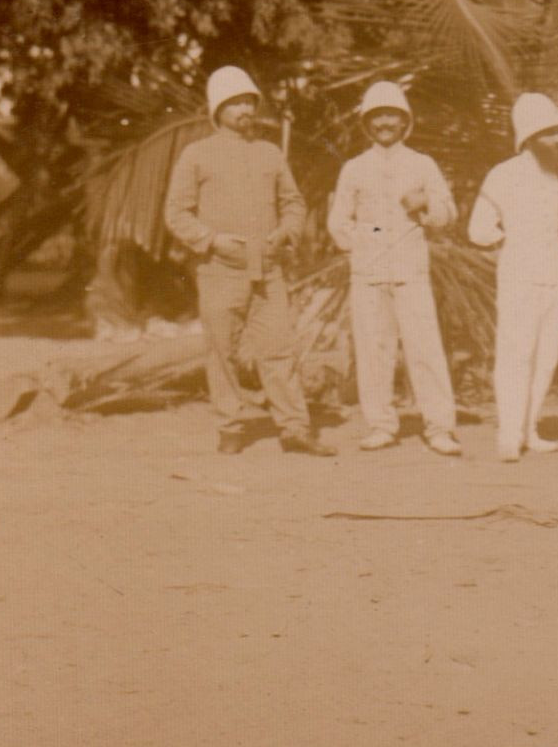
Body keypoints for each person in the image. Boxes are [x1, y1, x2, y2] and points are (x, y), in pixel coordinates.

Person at [163, 66, 335, 456]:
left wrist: (287, 232)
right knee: (221, 349)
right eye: (235, 103)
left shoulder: (269, 153)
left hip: (268, 269)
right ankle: (230, 425)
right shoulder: (197, 155)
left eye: (248, 102)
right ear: (217, 109)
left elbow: (293, 203)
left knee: (278, 348)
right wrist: (212, 240)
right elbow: (176, 213)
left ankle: (294, 427)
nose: (244, 109)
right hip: (220, 270)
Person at [327, 80, 461, 456]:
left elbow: (448, 215)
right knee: (373, 349)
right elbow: (338, 221)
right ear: (367, 124)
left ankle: (440, 427)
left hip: (411, 271)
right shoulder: (354, 168)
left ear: (405, 122)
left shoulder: (422, 164)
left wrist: (424, 205)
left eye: (392, 115)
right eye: (377, 116)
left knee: (425, 349)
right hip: (368, 273)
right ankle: (381, 424)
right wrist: (362, 245)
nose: (385, 122)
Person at [468, 93, 558, 462]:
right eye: (549, 133)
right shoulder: (503, 175)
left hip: (556, 277)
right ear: (530, 136)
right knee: (516, 353)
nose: (557, 140)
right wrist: (511, 245)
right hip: (519, 276)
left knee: (547, 356)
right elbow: (478, 229)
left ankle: (530, 429)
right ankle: (509, 433)